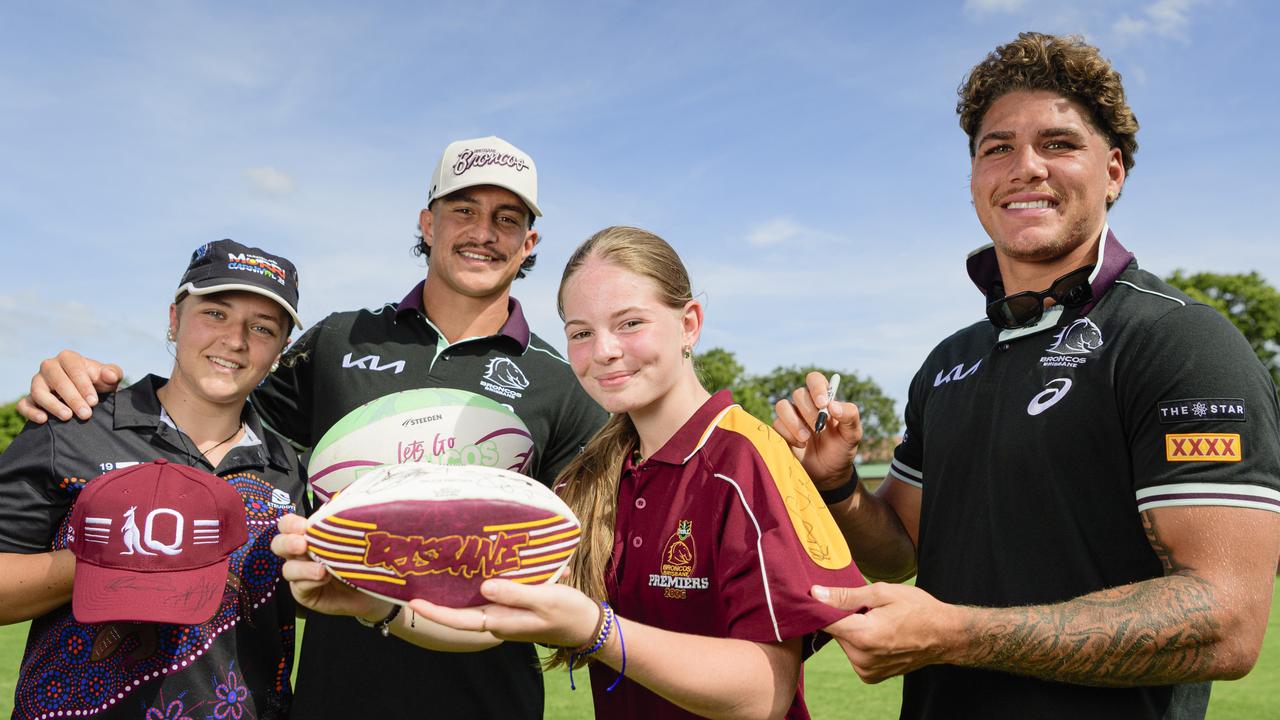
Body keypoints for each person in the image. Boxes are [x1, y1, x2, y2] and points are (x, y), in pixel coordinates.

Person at [772, 32, 1280, 719]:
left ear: (1114, 172)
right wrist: (835, 484)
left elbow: (1227, 618)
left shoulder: (1179, 340)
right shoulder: (950, 360)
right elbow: (898, 555)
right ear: (976, 179)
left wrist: (954, 634)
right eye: (998, 147)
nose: (1025, 167)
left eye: (1059, 144)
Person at [17, 136, 608, 719]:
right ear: (428, 223)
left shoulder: (564, 383)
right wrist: (93, 391)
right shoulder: (339, 340)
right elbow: (213, 397)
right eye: (464, 210)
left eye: (506, 219)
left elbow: (580, 567)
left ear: (529, 242)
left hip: (490, 699)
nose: (483, 232)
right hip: (333, 696)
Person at [349, 225, 861, 719]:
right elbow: (494, 615)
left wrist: (598, 630)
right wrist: (377, 606)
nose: (604, 351)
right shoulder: (586, 478)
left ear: (689, 324)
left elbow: (763, 694)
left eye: (630, 323)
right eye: (581, 333)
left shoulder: (745, 457)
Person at [0, 239, 307, 719]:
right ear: (174, 318)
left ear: (281, 349)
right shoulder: (74, 425)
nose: (236, 340)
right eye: (216, 314)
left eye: (262, 327)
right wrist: (107, 561)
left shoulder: (286, 466)